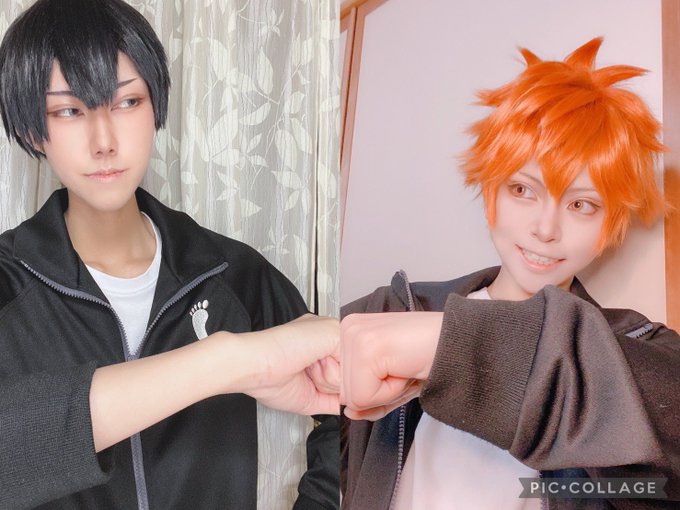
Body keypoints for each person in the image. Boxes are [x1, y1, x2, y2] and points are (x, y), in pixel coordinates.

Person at [0, 0, 339, 508]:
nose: (104, 140)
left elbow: (346, 406)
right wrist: (227, 362)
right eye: (68, 110)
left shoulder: (232, 274)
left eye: (127, 101)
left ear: (155, 105)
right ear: (32, 130)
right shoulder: (8, 285)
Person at [340, 38, 680, 509]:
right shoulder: (394, 311)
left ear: (611, 224)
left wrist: (456, 347)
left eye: (582, 205)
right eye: (523, 190)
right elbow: (324, 461)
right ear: (490, 194)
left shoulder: (640, 348)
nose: (546, 229)